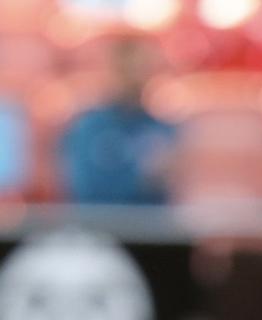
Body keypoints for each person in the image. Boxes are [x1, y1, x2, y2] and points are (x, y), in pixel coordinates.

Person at [58, 37, 176, 206]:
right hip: (100, 227)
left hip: (150, 229)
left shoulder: (162, 129)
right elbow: (84, 191)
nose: (135, 78)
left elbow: (171, 197)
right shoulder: (88, 128)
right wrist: (142, 178)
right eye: (127, 69)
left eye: (142, 69)